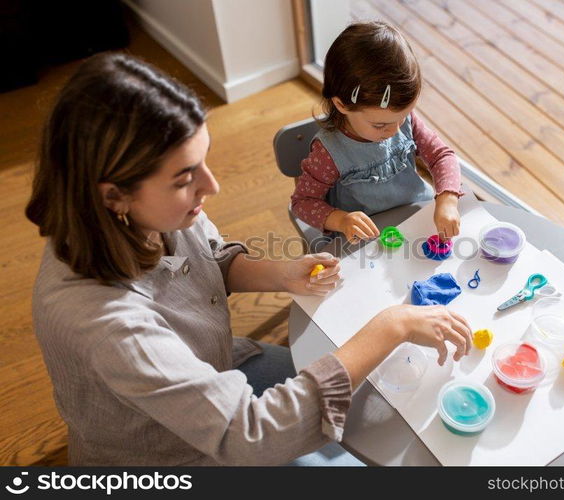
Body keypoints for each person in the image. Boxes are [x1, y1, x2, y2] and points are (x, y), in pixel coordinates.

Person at [26, 52, 473, 466]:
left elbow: (211, 260)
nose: (212, 186)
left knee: (377, 400)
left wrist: (280, 273)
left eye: (203, 161)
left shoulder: (138, 216)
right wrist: (390, 326)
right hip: (174, 455)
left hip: (221, 365)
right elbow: (250, 435)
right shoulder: (107, 326)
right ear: (114, 195)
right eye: (185, 177)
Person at [291, 21, 465, 244]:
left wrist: (447, 199)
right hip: (363, 238)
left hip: (416, 219)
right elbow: (303, 202)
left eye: (401, 117)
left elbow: (442, 156)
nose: (394, 130)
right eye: (380, 126)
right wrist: (341, 221)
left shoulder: (403, 120)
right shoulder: (328, 152)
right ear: (342, 105)